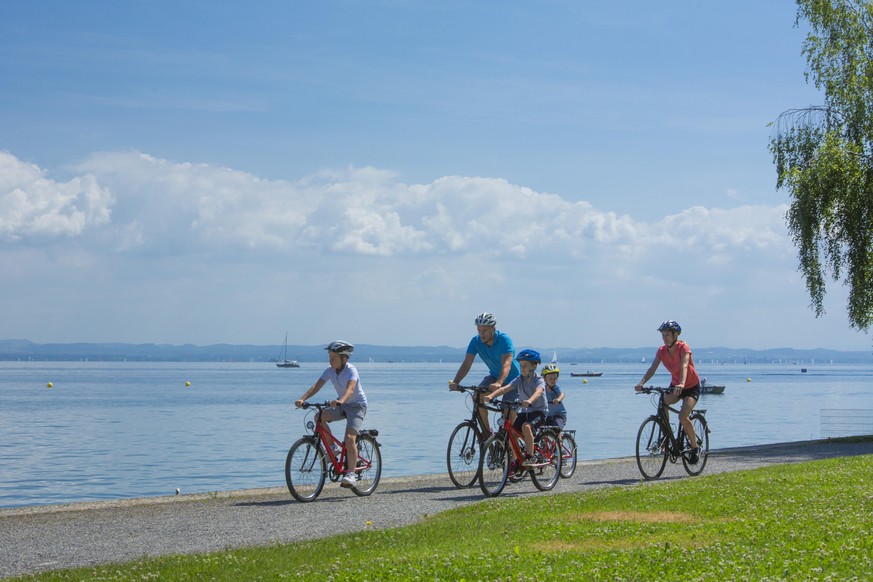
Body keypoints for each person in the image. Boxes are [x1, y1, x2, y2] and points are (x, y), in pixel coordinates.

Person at [295, 340, 367, 488]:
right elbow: (316, 386)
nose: (330, 360)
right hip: (342, 404)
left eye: (333, 357)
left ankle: (351, 474)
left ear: (344, 358)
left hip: (357, 406)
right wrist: (302, 399)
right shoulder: (329, 370)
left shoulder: (351, 370)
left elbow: (350, 389)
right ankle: (334, 449)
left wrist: (340, 400)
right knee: (319, 417)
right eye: (330, 356)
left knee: (349, 438)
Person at [635, 320, 701, 463]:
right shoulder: (661, 351)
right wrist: (642, 383)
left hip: (690, 386)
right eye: (663, 335)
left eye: (667, 335)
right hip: (676, 385)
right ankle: (666, 437)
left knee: (683, 417)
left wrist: (682, 383)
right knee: (663, 403)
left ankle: (695, 448)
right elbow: (652, 368)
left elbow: (684, 365)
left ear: (675, 335)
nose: (665, 338)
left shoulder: (683, 347)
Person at [449, 312, 521, 434]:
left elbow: (507, 364)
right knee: (477, 396)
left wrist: (499, 383)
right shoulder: (476, 341)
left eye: (485, 330)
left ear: (493, 328)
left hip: (514, 380)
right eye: (479, 330)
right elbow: (467, 363)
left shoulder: (504, 340)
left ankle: (510, 444)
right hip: (494, 376)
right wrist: (456, 382)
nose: (481, 334)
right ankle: (487, 434)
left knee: (507, 413)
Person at [484, 349, 547, 468]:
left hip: (539, 411)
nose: (522, 368)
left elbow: (539, 392)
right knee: (512, 433)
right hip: (525, 411)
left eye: (525, 365)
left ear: (533, 366)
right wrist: (491, 396)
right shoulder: (519, 379)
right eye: (521, 365)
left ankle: (530, 456)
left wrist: (529, 401)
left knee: (526, 426)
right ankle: (516, 458)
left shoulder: (538, 380)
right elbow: (505, 388)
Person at [541, 363, 567, 430]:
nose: (553, 380)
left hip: (559, 415)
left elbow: (562, 394)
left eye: (555, 378)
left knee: (556, 429)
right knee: (540, 431)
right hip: (547, 415)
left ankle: (559, 440)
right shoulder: (542, 389)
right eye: (550, 378)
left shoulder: (556, 388)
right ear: (544, 379)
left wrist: (558, 399)